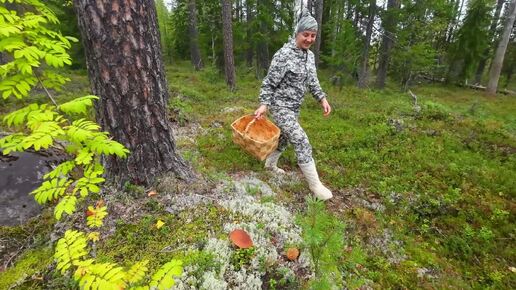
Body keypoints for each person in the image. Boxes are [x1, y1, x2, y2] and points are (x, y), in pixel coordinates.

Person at [254, 9, 332, 200]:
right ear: (297, 33)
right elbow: (270, 81)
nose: (309, 39)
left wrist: (322, 99)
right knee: (301, 139)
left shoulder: (310, 56)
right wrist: (264, 103)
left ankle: (270, 165)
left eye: (313, 35)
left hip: (294, 107)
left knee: (285, 138)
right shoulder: (284, 54)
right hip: (280, 106)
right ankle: (316, 186)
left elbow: (313, 81)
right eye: (306, 34)